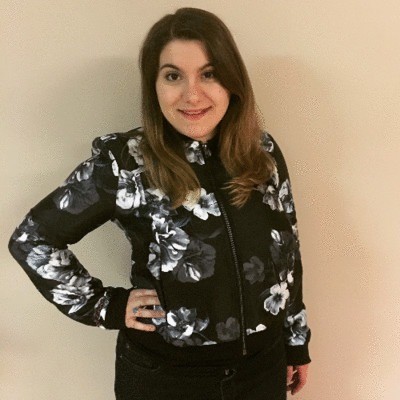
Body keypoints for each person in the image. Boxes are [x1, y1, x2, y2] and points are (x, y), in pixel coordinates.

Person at [8, 7, 311, 400]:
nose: (192, 95)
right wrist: (107, 306)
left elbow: (287, 252)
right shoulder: (125, 163)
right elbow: (32, 239)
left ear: (232, 81)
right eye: (173, 76)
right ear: (154, 85)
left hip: (261, 369)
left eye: (209, 73)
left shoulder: (261, 152)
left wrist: (295, 341)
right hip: (166, 379)